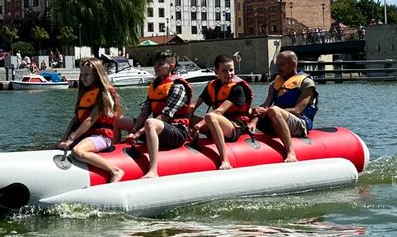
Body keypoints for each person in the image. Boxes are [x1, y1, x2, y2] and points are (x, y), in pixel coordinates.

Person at [127, 50, 193, 179]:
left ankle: (153, 170)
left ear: (171, 66)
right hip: (158, 129)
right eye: (155, 63)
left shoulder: (178, 86)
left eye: (160, 64)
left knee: (150, 123)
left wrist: (139, 133)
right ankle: (116, 150)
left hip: (177, 132)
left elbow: (166, 115)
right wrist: (133, 130)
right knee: (120, 121)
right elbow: (145, 111)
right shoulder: (155, 85)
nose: (156, 67)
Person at [58, 59, 126, 183]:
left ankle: (115, 170)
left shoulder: (104, 93)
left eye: (87, 75)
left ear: (97, 75)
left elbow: (91, 119)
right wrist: (63, 139)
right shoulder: (85, 92)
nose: (83, 78)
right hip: (85, 136)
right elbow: (76, 118)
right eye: (81, 74)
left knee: (78, 151)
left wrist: (71, 139)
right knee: (56, 147)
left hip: (102, 137)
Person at [251, 50, 317, 163]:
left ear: (293, 64)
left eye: (281, 64)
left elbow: (297, 111)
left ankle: (290, 152)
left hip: (300, 124)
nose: (278, 68)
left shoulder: (306, 83)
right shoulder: (274, 84)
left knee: (273, 110)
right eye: (277, 65)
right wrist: (254, 118)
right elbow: (266, 105)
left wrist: (269, 112)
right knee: (248, 111)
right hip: (276, 118)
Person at [190, 54, 253, 170]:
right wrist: (186, 116)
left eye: (231, 70)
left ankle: (224, 159)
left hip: (234, 127)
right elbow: (195, 105)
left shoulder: (237, 88)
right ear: (216, 72)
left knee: (210, 116)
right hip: (215, 126)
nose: (229, 74)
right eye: (224, 71)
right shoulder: (212, 86)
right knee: (188, 115)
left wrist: (198, 126)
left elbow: (219, 111)